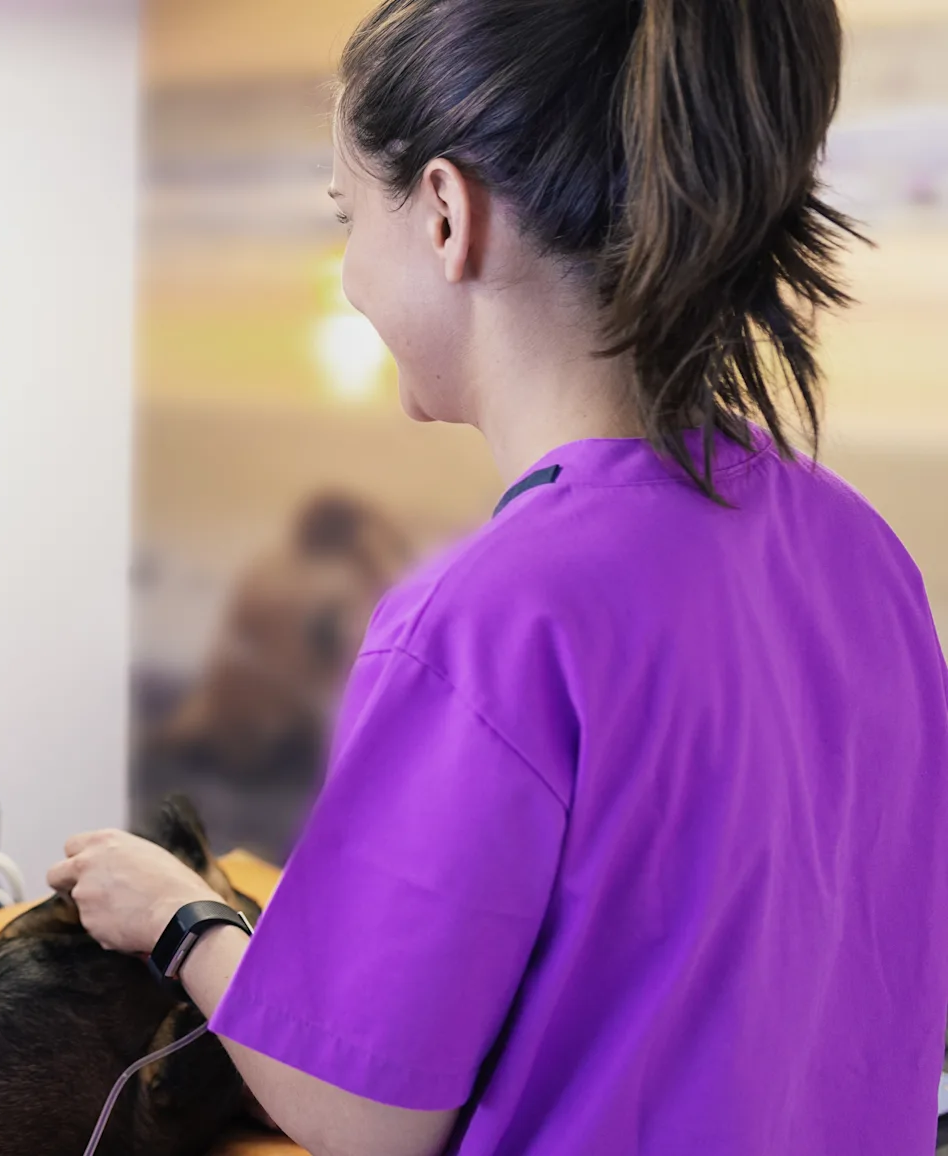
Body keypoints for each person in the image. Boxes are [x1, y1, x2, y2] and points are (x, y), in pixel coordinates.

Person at [51, 0, 948, 1154]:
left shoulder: (491, 617)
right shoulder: (856, 548)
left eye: (344, 216)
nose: (347, 275)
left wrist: (181, 920)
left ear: (441, 216)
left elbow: (365, 1113)